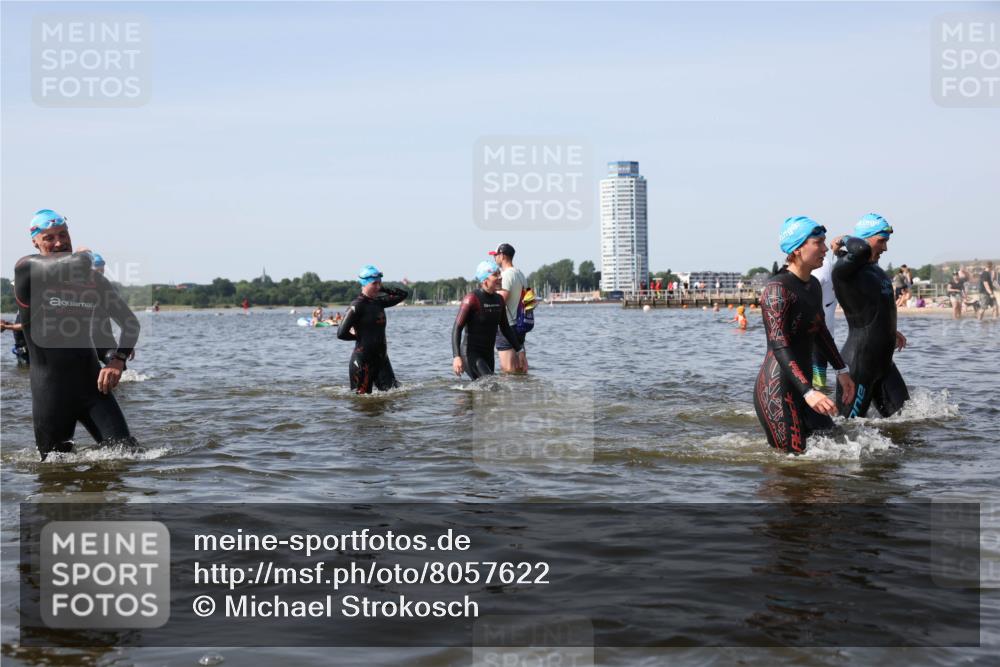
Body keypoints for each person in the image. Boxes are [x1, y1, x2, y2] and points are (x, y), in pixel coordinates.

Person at [13, 209, 141, 460]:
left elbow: (130, 323)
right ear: (35, 242)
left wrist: (117, 360)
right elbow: (80, 261)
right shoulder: (26, 269)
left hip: (93, 387)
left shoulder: (94, 282)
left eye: (63, 234)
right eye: (49, 238)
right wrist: (85, 255)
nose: (59, 242)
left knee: (128, 456)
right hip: (51, 392)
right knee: (54, 470)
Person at [754, 216, 854, 453]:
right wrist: (808, 392)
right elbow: (779, 345)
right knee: (792, 466)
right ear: (798, 249)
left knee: (839, 444)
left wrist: (842, 371)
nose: (824, 249)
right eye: (818, 242)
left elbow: (820, 331)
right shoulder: (776, 290)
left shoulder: (813, 285)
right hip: (778, 392)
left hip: (805, 389)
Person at [832, 213, 909, 418]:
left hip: (884, 363)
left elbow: (875, 307)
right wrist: (844, 239)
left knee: (906, 424)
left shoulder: (875, 270)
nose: (885, 248)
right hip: (859, 364)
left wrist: (890, 331)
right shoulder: (844, 270)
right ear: (864, 240)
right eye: (881, 241)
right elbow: (861, 249)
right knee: (846, 432)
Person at [336, 265, 408, 394]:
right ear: (364, 283)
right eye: (374, 283)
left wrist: (382, 287)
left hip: (382, 360)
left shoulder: (379, 302)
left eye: (380, 283)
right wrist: (359, 337)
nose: (378, 287)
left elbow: (403, 294)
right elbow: (341, 333)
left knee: (395, 396)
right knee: (362, 403)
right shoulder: (357, 306)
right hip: (362, 362)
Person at [452, 260, 523, 380]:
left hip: (488, 354)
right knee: (492, 384)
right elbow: (457, 329)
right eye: (495, 275)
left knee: (484, 389)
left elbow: (505, 328)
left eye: (499, 273)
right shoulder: (471, 299)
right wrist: (456, 357)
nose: (500, 277)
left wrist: (519, 350)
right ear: (485, 280)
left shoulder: (499, 299)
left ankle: (465, 398)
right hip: (470, 354)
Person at [488, 243, 528, 373]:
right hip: (520, 326)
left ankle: (509, 394)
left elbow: (501, 299)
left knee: (508, 371)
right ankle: (522, 392)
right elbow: (529, 301)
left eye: (495, 255)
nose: (494, 258)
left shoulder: (506, 275)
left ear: (503, 256)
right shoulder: (521, 274)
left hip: (507, 327)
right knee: (520, 368)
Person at [809, 252, 839, 389]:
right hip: (824, 334)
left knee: (816, 385)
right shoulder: (828, 265)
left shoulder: (822, 266)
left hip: (816, 334)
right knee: (819, 384)